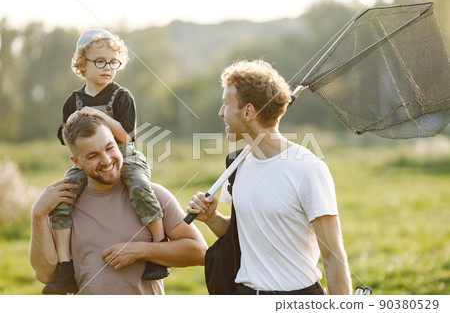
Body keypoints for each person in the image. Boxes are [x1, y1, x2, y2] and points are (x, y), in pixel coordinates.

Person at [187, 59, 352, 295]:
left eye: (226, 104)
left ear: (248, 111)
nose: (220, 113)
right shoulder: (235, 165)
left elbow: (333, 258)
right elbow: (241, 235)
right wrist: (212, 218)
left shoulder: (308, 170)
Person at [46, 29, 167, 294]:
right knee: (63, 196)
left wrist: (94, 115)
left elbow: (126, 135)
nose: (107, 68)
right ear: (81, 64)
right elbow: (66, 137)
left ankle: (159, 246)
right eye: (99, 61)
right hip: (88, 161)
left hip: (125, 157)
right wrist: (71, 121)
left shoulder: (121, 96)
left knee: (139, 185)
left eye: (113, 62)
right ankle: (65, 266)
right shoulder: (73, 101)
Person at [29, 114, 207, 294]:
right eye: (93, 156)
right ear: (77, 162)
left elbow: (199, 252)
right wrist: (38, 213)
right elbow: (45, 274)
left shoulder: (154, 195)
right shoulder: (66, 206)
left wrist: (140, 250)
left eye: (109, 148)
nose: (106, 160)